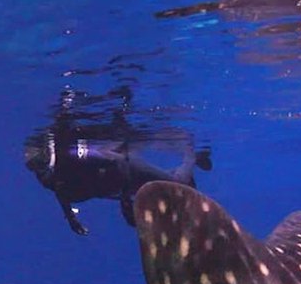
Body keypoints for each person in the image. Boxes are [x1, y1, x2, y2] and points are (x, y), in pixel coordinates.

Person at [24, 88, 213, 235]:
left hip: (125, 170)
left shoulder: (71, 154)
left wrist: (124, 198)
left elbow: (116, 160)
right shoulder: (48, 177)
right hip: (111, 184)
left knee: (176, 185)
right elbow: (61, 193)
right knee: (162, 188)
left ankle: (192, 158)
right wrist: (72, 219)